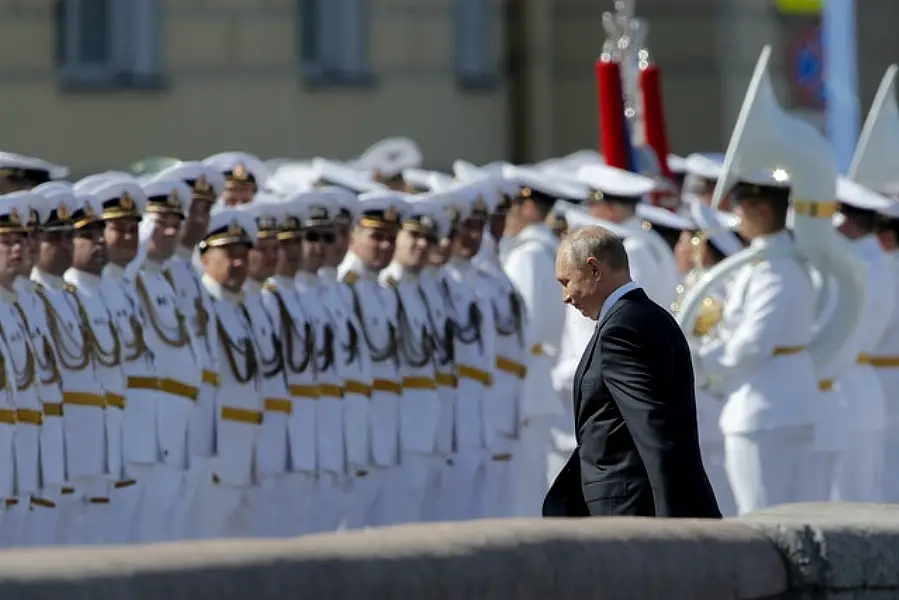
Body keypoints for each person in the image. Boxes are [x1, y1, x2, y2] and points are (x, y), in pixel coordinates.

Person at [543, 226, 720, 518]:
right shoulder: (654, 318)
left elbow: (653, 428)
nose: (566, 296)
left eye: (567, 282)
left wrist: (675, 520)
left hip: (626, 509)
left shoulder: (620, 330)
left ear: (594, 270)